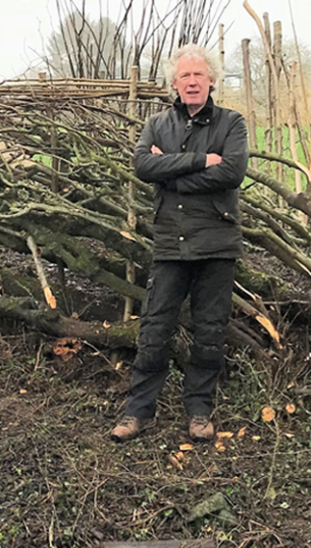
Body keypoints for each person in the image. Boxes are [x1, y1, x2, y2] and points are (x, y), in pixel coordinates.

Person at [110, 44, 249, 443]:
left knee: (209, 330)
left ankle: (199, 410)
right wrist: (201, 160)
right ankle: (138, 411)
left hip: (217, 241)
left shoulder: (232, 123)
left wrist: (167, 172)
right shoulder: (157, 124)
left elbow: (232, 173)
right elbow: (142, 165)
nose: (192, 82)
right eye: (185, 76)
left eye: (199, 75)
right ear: (174, 83)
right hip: (170, 241)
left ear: (211, 81)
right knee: (155, 328)